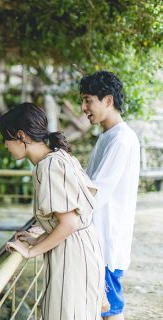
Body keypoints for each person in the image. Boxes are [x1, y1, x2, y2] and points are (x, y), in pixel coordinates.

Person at [0, 102, 105, 319]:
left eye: (6, 138)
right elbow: (68, 217)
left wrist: (31, 251)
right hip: (81, 248)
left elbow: (69, 223)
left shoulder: (48, 166)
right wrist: (37, 237)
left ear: (21, 136)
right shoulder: (58, 156)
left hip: (73, 254)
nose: (5, 145)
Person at [80, 71, 140, 320]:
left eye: (87, 100)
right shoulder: (108, 136)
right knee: (102, 308)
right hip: (99, 239)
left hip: (107, 240)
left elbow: (97, 193)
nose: (83, 108)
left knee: (111, 310)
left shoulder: (121, 139)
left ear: (108, 100)